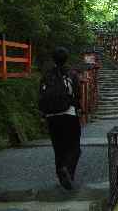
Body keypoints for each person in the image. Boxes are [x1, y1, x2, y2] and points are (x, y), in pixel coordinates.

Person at [39, 47, 81, 190]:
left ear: (53, 59)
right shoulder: (71, 74)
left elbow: (41, 95)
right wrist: (78, 108)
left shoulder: (46, 75)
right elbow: (77, 94)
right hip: (69, 114)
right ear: (66, 58)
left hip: (51, 117)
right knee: (74, 147)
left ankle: (61, 174)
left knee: (58, 148)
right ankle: (68, 171)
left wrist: (43, 114)